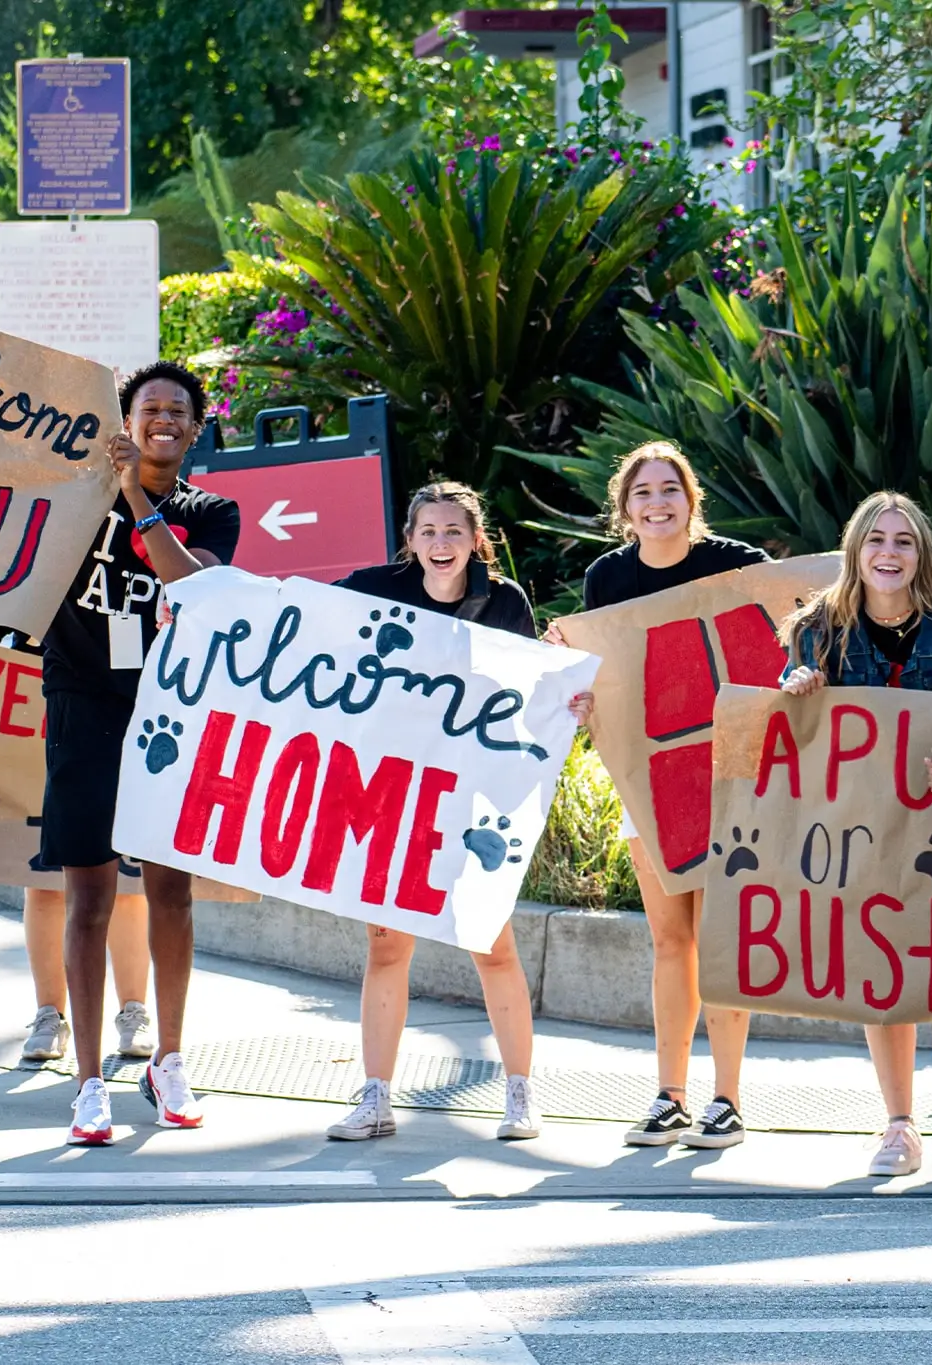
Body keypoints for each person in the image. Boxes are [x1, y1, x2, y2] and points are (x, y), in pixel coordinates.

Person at [779, 492, 932, 1181]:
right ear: (855, 550)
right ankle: (897, 1125)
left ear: (923, 554)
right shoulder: (816, 630)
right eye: (876, 540)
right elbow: (790, 734)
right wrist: (796, 688)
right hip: (861, 830)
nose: (889, 553)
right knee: (880, 970)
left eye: (905, 541)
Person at [544, 441, 766, 1149]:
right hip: (651, 779)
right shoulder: (607, 577)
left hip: (732, 777)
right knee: (671, 939)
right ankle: (669, 1096)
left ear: (690, 498)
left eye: (670, 489)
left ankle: (726, 1099)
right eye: (644, 492)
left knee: (723, 939)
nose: (658, 502)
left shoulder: (736, 563)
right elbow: (602, 678)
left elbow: (783, 633)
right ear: (625, 507)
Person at [40, 360, 239, 1145]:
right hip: (84, 703)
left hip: (169, 710)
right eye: (147, 408)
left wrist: (132, 496)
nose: (162, 419)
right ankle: (89, 1082)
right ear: (125, 423)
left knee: (172, 896)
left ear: (194, 428)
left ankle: (169, 1059)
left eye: (176, 411)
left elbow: (189, 585)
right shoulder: (71, 494)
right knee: (86, 900)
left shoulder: (213, 511)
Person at [326, 483, 543, 1142]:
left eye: (454, 531)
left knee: (492, 944)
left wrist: (570, 702)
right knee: (386, 943)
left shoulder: (505, 603)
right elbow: (294, 618)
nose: (441, 544)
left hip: (476, 795)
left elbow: (535, 692)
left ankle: (520, 1094)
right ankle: (376, 1097)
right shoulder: (375, 588)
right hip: (394, 789)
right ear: (410, 538)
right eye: (428, 531)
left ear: (477, 539)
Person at [0, 622, 155, 1064]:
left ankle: (132, 1010)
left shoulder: (135, 559)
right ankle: (50, 1015)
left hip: (116, 714)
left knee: (126, 884)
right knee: (43, 883)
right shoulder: (45, 564)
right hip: (30, 725)